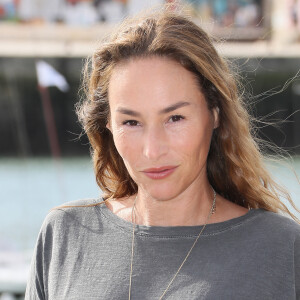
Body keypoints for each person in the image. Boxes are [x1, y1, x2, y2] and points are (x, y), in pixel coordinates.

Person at [25, 5, 300, 300]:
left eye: (175, 118)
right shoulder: (64, 234)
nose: (152, 150)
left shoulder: (281, 248)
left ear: (215, 113)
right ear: (108, 126)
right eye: (131, 122)